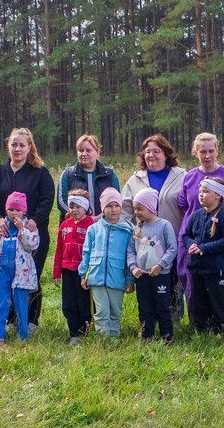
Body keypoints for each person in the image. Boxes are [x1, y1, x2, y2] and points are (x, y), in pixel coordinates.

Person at [0, 128, 55, 328]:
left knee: (30, 275)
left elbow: (47, 198)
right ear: (8, 146)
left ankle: (30, 319)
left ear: (29, 147)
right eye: (14, 144)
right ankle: (9, 318)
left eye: (22, 145)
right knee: (6, 276)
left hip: (30, 235)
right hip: (4, 235)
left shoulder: (40, 172)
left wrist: (36, 220)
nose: (17, 148)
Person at [121, 134, 187, 319]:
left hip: (173, 239)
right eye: (147, 152)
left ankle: (173, 320)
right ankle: (149, 322)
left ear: (166, 154)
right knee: (148, 283)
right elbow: (125, 210)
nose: (151, 155)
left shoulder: (181, 176)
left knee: (173, 281)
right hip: (144, 244)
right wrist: (132, 232)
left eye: (156, 151)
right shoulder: (135, 180)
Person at [177, 133, 224, 311]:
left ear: (217, 150)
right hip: (191, 239)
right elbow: (184, 205)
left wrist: (216, 227)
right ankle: (197, 322)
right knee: (190, 280)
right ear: (195, 152)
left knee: (214, 281)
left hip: (217, 240)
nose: (207, 156)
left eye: (211, 151)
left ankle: (217, 321)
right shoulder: (189, 177)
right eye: (202, 151)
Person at [78, 188, 135, 339]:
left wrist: (130, 280)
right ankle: (103, 339)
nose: (113, 210)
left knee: (115, 310)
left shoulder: (128, 230)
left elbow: (131, 257)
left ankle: (114, 337)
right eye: (109, 206)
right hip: (97, 277)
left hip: (117, 277)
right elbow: (86, 253)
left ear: (121, 207)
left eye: (116, 205)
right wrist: (84, 274)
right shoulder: (93, 229)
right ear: (103, 208)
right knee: (101, 310)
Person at [183, 177, 224, 334]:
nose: (201, 195)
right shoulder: (196, 215)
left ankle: (219, 332)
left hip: (217, 269)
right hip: (198, 268)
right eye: (200, 191)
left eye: (206, 192)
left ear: (218, 196)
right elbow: (186, 235)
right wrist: (191, 244)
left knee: (217, 301)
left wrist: (204, 248)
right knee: (199, 301)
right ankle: (202, 331)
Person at [0, 191, 40, 345]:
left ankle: (22, 336)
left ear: (24, 210)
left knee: (20, 304)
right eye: (11, 209)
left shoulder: (29, 227)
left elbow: (32, 245)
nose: (14, 213)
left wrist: (22, 229)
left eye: (17, 210)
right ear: (6, 210)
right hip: (3, 271)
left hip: (21, 273)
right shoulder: (2, 226)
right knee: (1, 303)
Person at [128, 189, 178, 343]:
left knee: (162, 306)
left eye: (140, 208)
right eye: (135, 209)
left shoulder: (164, 225)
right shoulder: (137, 228)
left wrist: (161, 265)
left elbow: (172, 248)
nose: (137, 212)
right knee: (144, 306)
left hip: (160, 275)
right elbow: (130, 250)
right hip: (141, 275)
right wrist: (133, 267)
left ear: (151, 207)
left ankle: (167, 336)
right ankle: (147, 335)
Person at [52, 189, 95, 344]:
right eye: (71, 206)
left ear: (86, 207)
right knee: (68, 303)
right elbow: (59, 249)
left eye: (78, 206)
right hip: (67, 270)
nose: (74, 210)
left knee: (83, 303)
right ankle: (74, 333)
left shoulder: (92, 225)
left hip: (83, 272)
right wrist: (56, 272)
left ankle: (84, 332)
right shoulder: (64, 225)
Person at [57, 134, 120, 218]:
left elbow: (117, 200)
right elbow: (61, 202)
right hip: (76, 226)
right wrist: (82, 219)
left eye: (88, 150)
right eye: (81, 150)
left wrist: (99, 218)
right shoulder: (67, 174)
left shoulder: (110, 174)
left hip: (104, 225)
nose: (84, 153)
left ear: (97, 152)